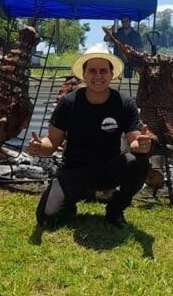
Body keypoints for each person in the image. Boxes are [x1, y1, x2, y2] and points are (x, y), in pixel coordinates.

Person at [28, 49, 151, 227]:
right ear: (84, 75)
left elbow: (134, 141)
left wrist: (141, 145)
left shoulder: (124, 103)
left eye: (103, 71)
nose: (98, 76)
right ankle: (69, 205)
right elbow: (52, 142)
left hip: (109, 169)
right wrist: (40, 147)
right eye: (92, 71)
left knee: (139, 161)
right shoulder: (68, 103)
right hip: (74, 170)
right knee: (47, 220)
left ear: (112, 74)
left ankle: (115, 210)